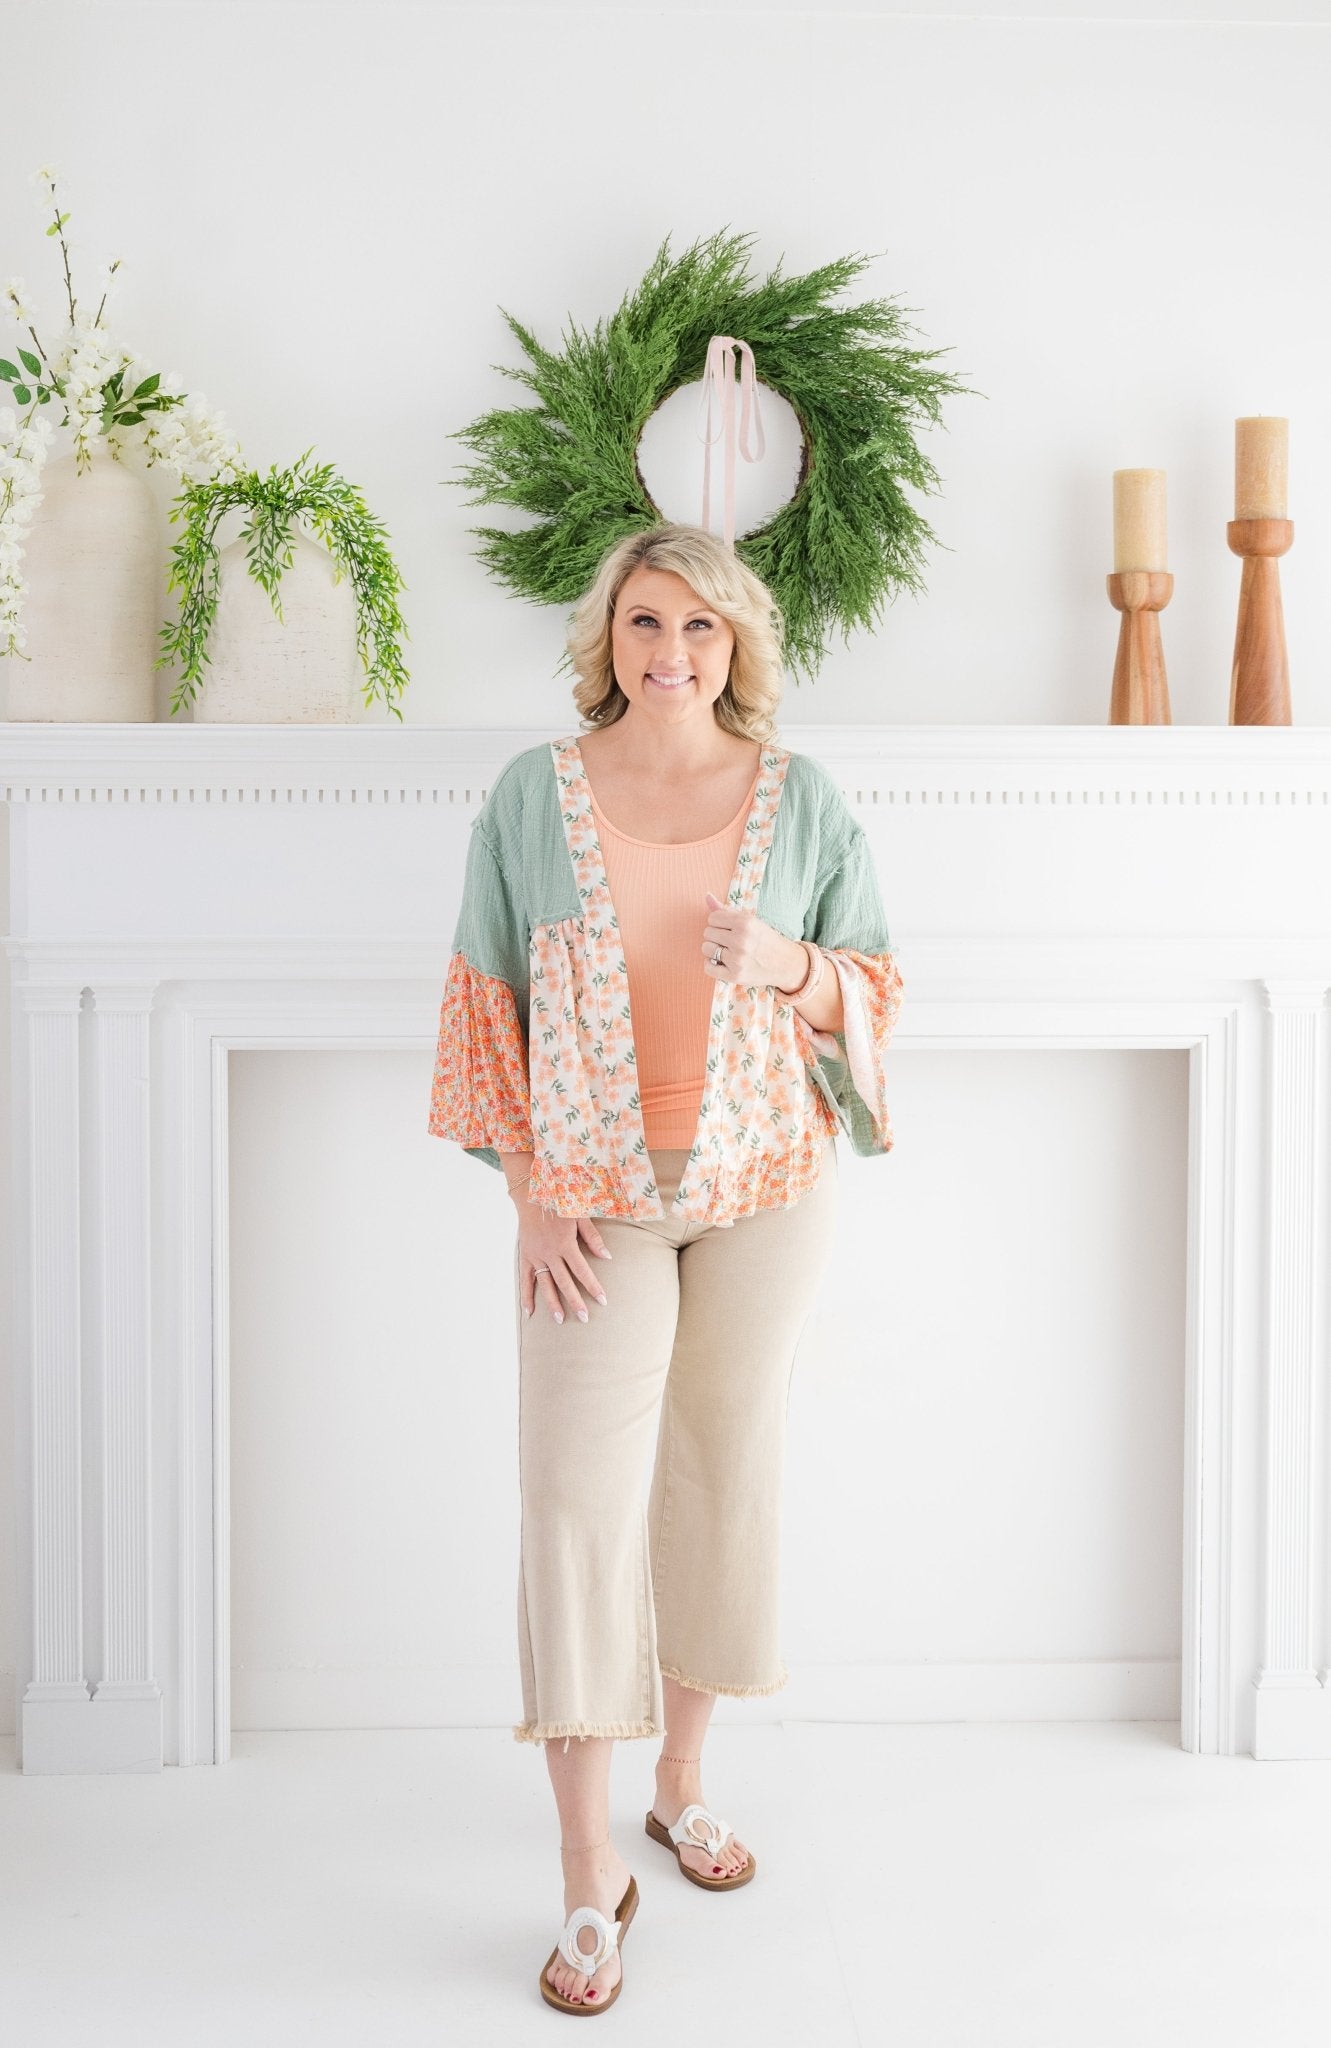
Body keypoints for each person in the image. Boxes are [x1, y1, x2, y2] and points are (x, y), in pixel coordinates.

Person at [427, 522, 903, 2014]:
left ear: (736, 644)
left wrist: (790, 966)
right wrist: (527, 1193)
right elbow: (481, 999)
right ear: (609, 638)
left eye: (701, 626)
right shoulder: (534, 796)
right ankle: (587, 1873)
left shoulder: (804, 800)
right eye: (646, 622)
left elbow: (878, 986)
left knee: (720, 1468)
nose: (672, 652)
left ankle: (680, 1784)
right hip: (591, 1202)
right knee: (574, 1503)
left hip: (766, 1191)